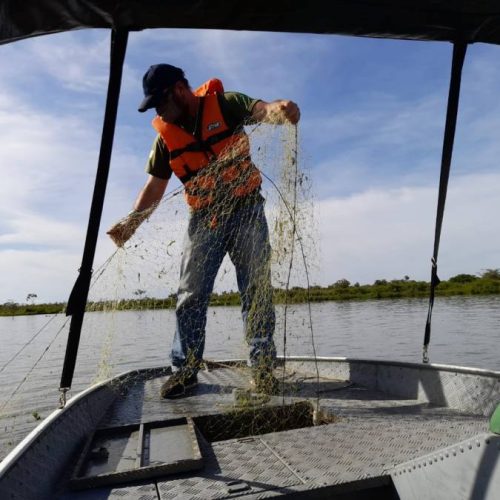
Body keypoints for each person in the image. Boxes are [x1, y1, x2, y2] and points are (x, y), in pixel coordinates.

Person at [107, 64, 300, 398]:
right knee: (190, 294)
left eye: (160, 102)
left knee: (256, 290)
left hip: (246, 209)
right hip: (204, 218)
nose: (158, 111)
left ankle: (263, 369)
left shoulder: (226, 104)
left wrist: (280, 109)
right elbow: (155, 186)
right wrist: (131, 224)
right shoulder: (165, 137)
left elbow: (263, 110)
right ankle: (185, 371)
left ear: (180, 89)